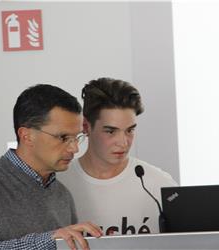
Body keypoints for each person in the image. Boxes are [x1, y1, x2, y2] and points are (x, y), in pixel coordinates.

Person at [0, 84, 102, 250]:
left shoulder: (63, 194)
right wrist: (48, 242)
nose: (75, 148)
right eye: (63, 137)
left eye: (76, 137)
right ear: (26, 136)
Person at [58, 77, 178, 236]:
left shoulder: (159, 184)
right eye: (110, 131)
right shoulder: (58, 184)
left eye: (130, 130)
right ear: (86, 126)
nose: (123, 143)